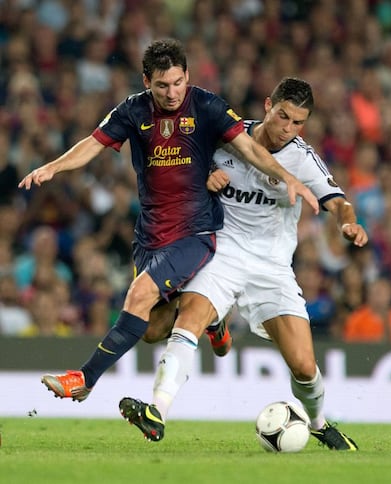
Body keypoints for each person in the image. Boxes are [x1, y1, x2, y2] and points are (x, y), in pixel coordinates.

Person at [18, 40, 318, 402]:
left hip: (196, 232)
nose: (172, 92)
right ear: (147, 81)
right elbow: (93, 143)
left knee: (138, 294)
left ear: (187, 76)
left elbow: (250, 148)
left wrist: (286, 176)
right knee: (151, 328)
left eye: (178, 83)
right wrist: (53, 166)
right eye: (162, 85)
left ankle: (84, 378)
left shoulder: (207, 106)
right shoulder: (132, 111)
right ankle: (213, 319)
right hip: (150, 235)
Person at [119, 77, 368, 451]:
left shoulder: (302, 158)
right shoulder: (226, 136)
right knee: (188, 320)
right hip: (223, 252)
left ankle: (317, 422)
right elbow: (179, 168)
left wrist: (348, 222)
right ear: (268, 105)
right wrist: (204, 175)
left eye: (298, 122)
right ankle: (157, 411)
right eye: (283, 116)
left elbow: (337, 200)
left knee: (303, 366)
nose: (287, 129)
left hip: (272, 266)